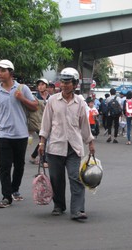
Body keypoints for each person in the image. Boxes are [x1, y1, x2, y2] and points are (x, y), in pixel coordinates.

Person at [38, 67, 95, 220]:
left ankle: (77, 210)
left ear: (75, 84)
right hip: (55, 145)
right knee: (56, 178)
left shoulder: (80, 103)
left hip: (74, 147)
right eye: (62, 82)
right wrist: (42, 142)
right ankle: (59, 205)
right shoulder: (52, 101)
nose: (64, 85)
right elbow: (46, 123)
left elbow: (84, 125)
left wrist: (90, 142)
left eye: (68, 82)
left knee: (75, 177)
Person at [0, 59, 38, 208]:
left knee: (19, 165)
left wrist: (21, 98)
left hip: (21, 134)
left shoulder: (22, 89)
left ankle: (15, 188)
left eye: (3, 70)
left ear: (11, 72)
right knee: (4, 166)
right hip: (3, 134)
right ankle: (6, 196)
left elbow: (35, 106)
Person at [30, 78, 50, 165]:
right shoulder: (34, 98)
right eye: (39, 85)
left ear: (46, 86)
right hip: (38, 122)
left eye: (42, 84)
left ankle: (33, 156)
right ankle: (43, 160)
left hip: (48, 122)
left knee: (43, 140)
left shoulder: (51, 97)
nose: (40, 87)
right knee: (43, 140)